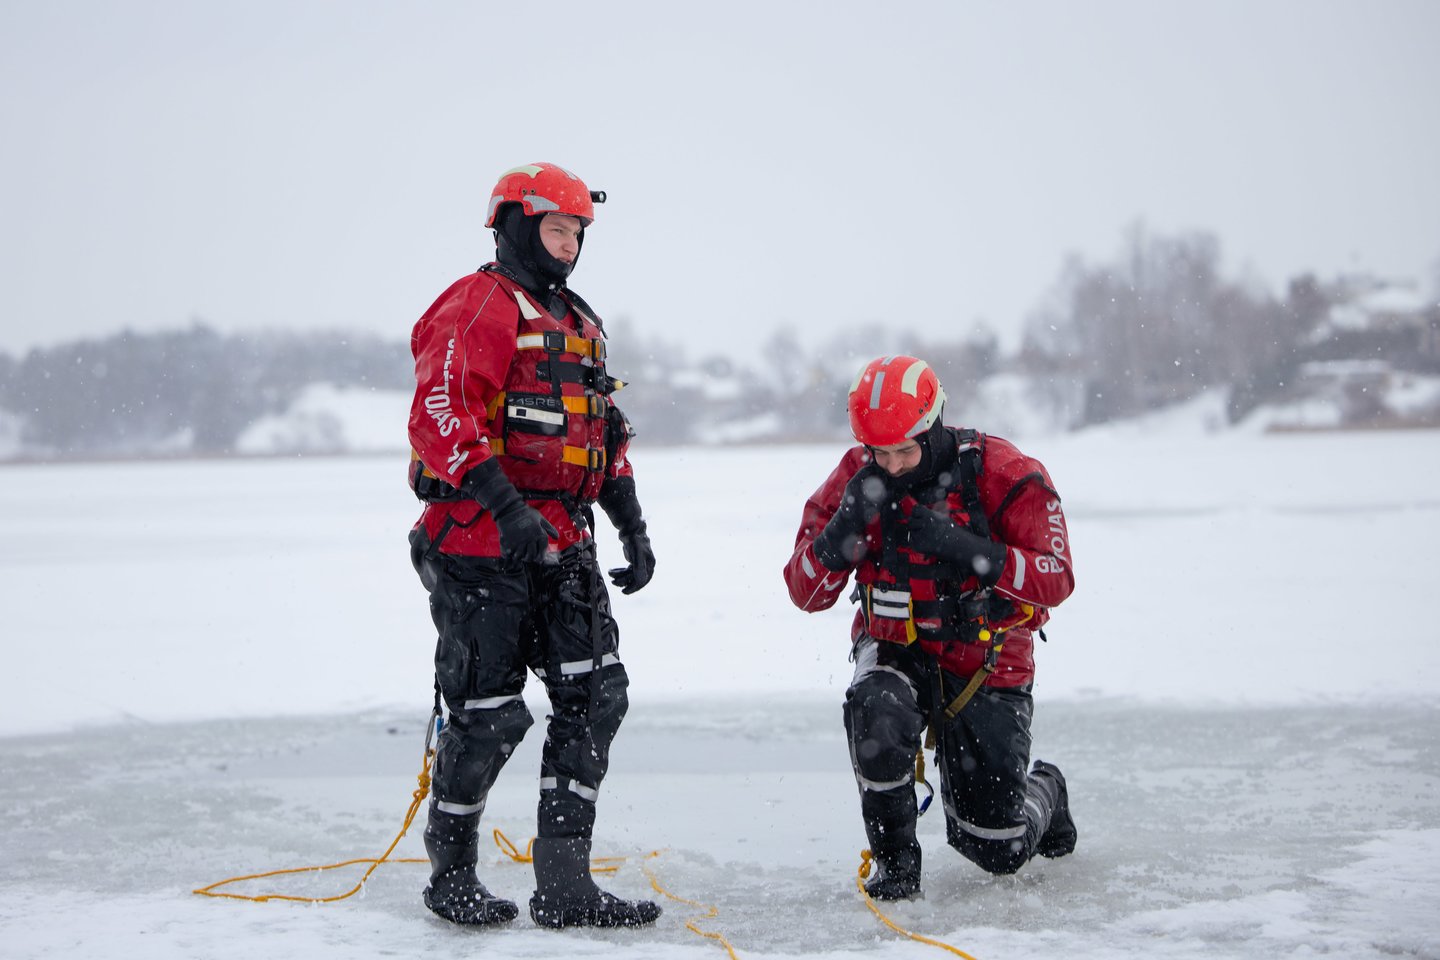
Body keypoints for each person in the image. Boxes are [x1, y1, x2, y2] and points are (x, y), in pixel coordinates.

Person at [406, 162, 660, 929]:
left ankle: (563, 883)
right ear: (515, 226)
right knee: (489, 715)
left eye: (578, 232)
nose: (569, 245)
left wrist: (633, 524)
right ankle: (451, 875)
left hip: (564, 544)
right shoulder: (477, 304)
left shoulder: (577, 321)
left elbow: (600, 434)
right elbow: (441, 412)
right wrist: (503, 506)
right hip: (480, 545)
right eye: (556, 229)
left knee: (595, 695)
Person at [783, 355, 1077, 899]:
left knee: (996, 848)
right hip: (895, 647)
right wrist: (841, 532)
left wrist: (968, 550)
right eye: (881, 453)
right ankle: (896, 867)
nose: (892, 466)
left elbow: (1057, 577)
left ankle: (1047, 790)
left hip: (985, 658)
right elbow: (805, 591)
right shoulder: (854, 476)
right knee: (874, 707)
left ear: (934, 425)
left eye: (905, 452)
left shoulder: (1002, 471)